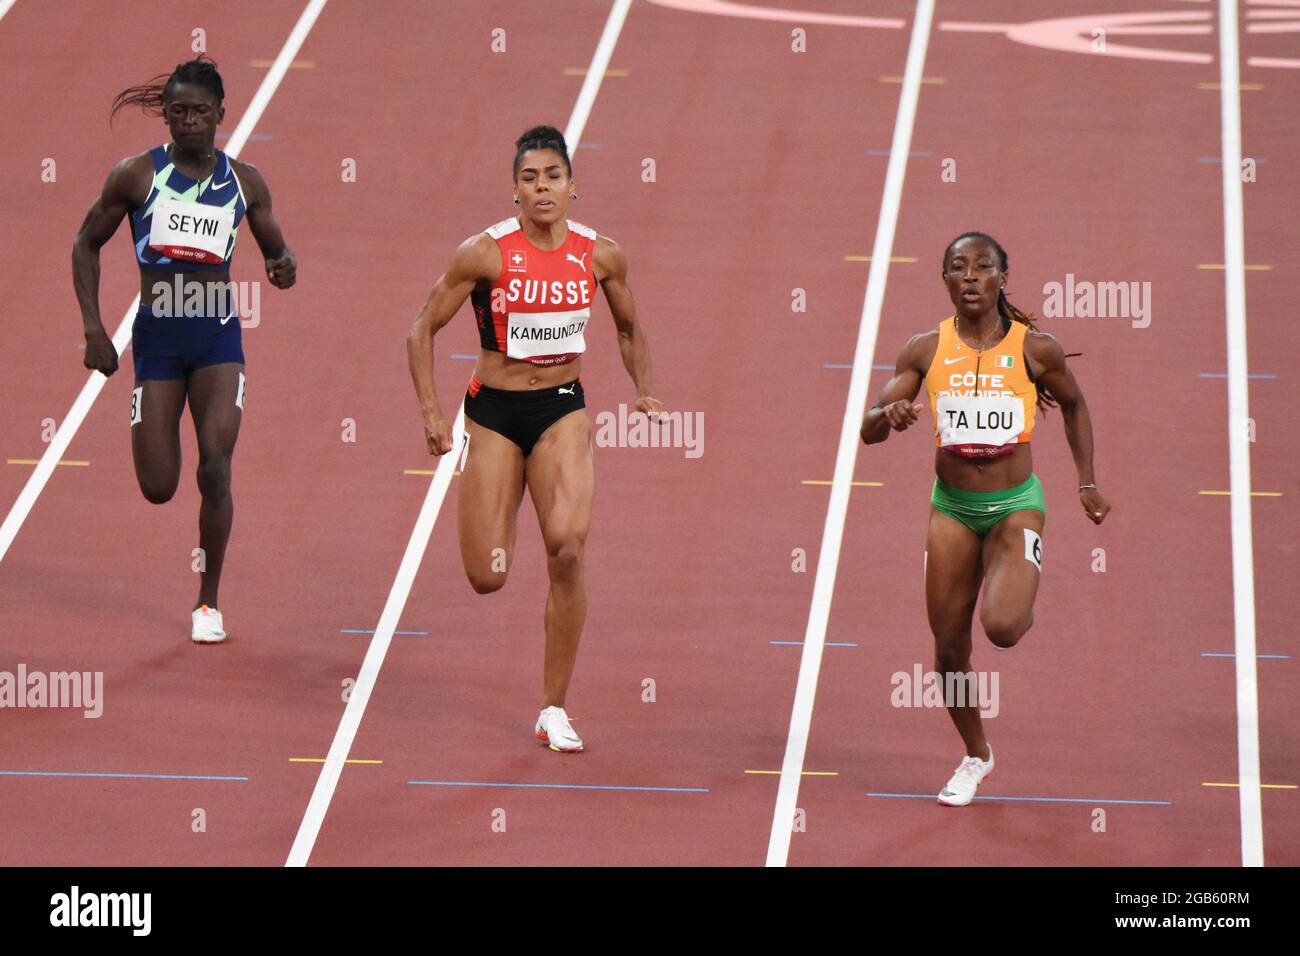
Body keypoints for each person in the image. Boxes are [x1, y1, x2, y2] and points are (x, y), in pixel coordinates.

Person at [407, 125, 661, 752]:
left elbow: (630, 327)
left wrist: (644, 389)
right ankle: (499, 493)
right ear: (514, 189)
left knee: (569, 549)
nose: (542, 187)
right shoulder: (483, 254)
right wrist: (434, 415)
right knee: (487, 575)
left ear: (574, 187)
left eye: (553, 176)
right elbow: (421, 329)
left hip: (561, 411)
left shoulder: (600, 254)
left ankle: (554, 707)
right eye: (530, 178)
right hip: (493, 414)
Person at [860, 231, 1110, 805]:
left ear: (1002, 277)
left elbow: (1073, 402)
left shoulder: (1034, 349)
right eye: (957, 268)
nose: (969, 276)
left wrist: (1087, 481)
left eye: (982, 267)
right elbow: (868, 428)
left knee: (1002, 628)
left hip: (1015, 505)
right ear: (944, 281)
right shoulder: (925, 349)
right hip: (952, 510)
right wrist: (888, 414)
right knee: (949, 649)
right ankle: (976, 756)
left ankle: (1019, 582)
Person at [73, 56, 296, 643]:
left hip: (217, 334)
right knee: (159, 486)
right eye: (178, 112)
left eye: (200, 111)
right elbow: (85, 243)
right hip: (158, 339)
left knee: (216, 466)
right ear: (166, 116)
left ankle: (207, 604)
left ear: (221, 113)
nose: (190, 121)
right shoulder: (135, 176)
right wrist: (95, 329)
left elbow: (277, 248)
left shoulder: (245, 182)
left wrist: (282, 266)